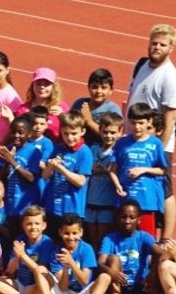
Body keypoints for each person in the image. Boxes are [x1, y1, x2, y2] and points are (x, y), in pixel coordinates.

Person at [63, 200, 163, 294]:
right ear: (117, 218)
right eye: (123, 217)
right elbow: (100, 262)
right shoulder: (110, 239)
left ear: (138, 220)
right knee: (114, 258)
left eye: (132, 217)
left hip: (141, 288)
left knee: (161, 265)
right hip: (119, 289)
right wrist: (112, 272)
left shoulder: (144, 237)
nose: (127, 221)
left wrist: (151, 274)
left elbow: (162, 254)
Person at [126, 24, 176, 241]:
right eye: (154, 43)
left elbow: (171, 119)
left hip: (156, 145)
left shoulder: (171, 78)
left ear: (171, 48)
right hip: (134, 139)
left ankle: (166, 238)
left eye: (162, 44)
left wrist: (156, 148)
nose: (157, 47)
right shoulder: (141, 65)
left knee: (165, 189)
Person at [0, 205, 56, 294]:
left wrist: (23, 256)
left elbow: (40, 271)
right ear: (23, 225)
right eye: (29, 224)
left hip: (37, 285)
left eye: (37, 223)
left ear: (43, 226)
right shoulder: (21, 239)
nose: (33, 227)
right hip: (20, 284)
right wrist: (17, 257)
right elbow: (11, 271)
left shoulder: (46, 242)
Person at [109, 103, 166, 237]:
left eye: (141, 123)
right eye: (133, 123)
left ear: (149, 122)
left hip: (146, 201)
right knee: (123, 238)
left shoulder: (155, 144)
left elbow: (162, 170)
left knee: (147, 239)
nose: (137, 127)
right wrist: (118, 186)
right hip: (126, 201)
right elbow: (112, 170)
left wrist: (143, 170)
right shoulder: (122, 143)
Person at [33, 213, 97, 294]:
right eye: (67, 233)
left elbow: (84, 281)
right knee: (40, 269)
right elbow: (62, 288)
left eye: (74, 233)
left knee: (105, 278)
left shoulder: (87, 249)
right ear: (60, 233)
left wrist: (71, 262)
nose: (71, 237)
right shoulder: (56, 252)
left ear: (81, 232)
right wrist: (66, 267)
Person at [42, 111, 93, 239]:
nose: (70, 138)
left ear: (82, 132)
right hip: (53, 208)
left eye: (74, 133)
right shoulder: (58, 149)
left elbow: (81, 181)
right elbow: (45, 176)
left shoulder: (85, 152)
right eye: (66, 134)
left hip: (72, 210)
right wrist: (50, 166)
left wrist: (61, 168)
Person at [0, 118, 42, 242]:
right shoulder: (8, 149)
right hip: (11, 206)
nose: (16, 136)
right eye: (13, 132)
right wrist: (6, 162)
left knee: (26, 240)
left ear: (29, 134)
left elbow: (31, 177)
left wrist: (12, 161)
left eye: (20, 133)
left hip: (26, 207)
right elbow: (0, 177)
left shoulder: (34, 151)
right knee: (13, 240)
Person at [85, 112, 123, 251]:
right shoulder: (93, 149)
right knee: (91, 239)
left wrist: (104, 171)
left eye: (113, 132)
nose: (109, 136)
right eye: (105, 132)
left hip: (107, 204)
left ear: (120, 132)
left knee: (102, 239)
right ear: (99, 130)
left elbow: (116, 171)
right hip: (90, 202)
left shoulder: (119, 151)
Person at [16, 67, 69, 143]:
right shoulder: (23, 109)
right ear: (32, 85)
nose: (42, 87)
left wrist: (62, 116)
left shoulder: (62, 107)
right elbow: (17, 132)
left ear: (53, 87)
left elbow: (72, 129)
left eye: (46, 84)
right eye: (38, 84)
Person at [71, 68, 122, 146]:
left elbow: (112, 135)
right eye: (95, 87)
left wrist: (89, 122)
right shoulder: (80, 103)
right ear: (88, 87)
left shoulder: (113, 110)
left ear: (111, 90)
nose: (99, 91)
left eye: (103, 87)